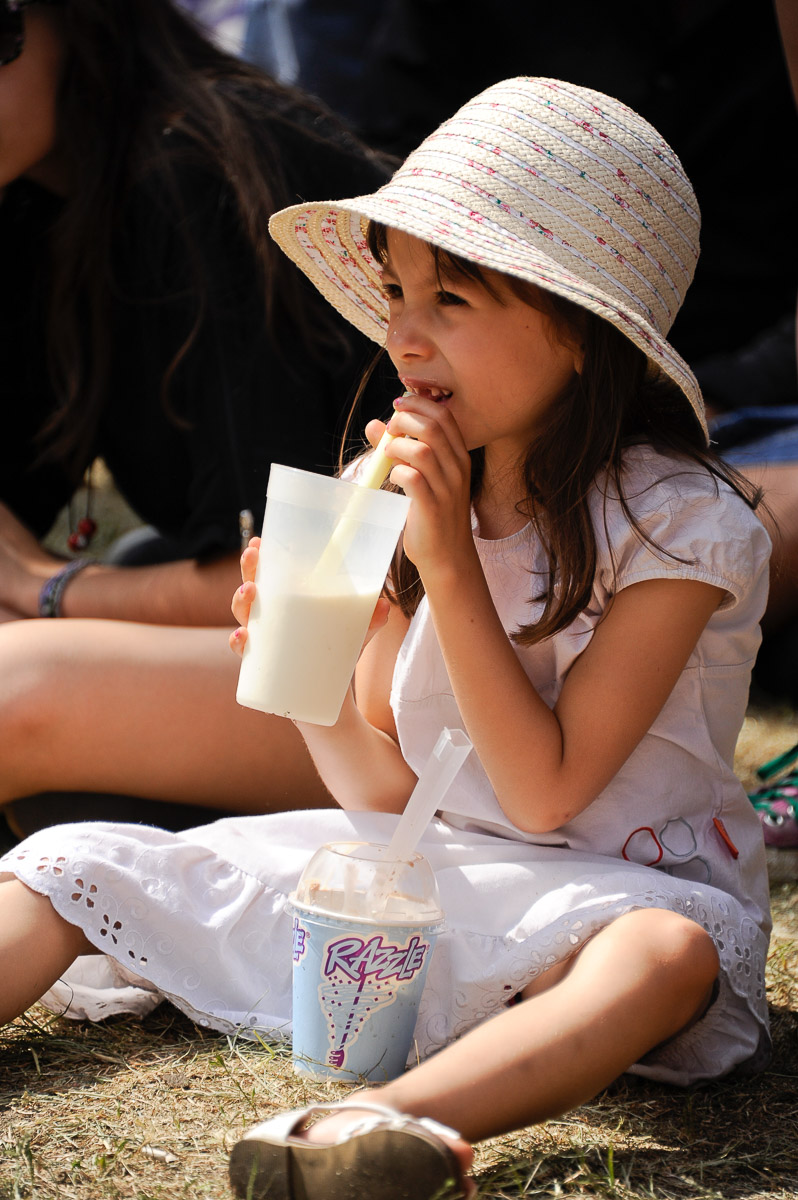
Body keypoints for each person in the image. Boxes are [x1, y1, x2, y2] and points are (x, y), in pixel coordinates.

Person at [0, 78, 772, 1200]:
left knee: (663, 959)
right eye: (397, 290)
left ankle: (370, 1128)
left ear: (581, 329)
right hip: (433, 886)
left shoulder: (682, 529)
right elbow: (387, 791)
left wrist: (450, 563)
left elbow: (548, 794)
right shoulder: (387, 493)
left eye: (449, 298)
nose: (402, 331)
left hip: (610, 897)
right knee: (74, 866)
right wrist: (307, 663)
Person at [0, 0, 392, 834]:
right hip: (313, 661)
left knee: (12, 687)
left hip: (423, 677)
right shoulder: (44, 196)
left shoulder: (202, 173)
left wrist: (47, 587)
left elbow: (275, 584)